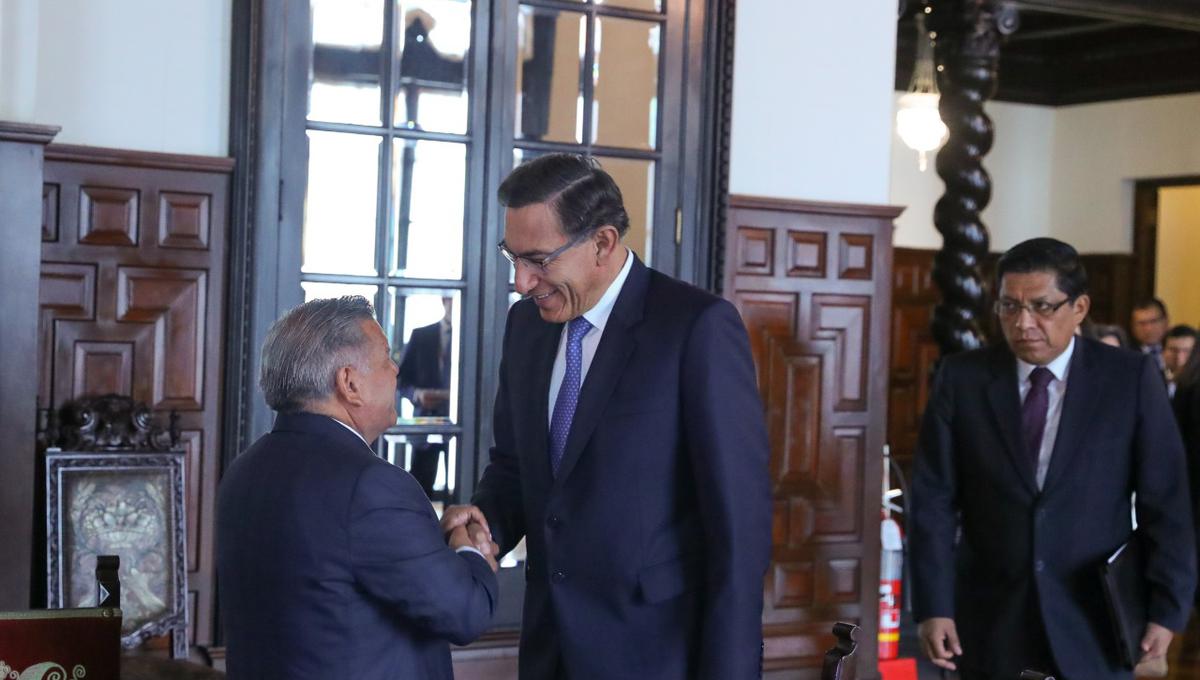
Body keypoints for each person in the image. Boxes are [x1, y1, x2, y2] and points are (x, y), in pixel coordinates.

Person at [442, 153, 772, 680]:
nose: (522, 281)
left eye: (540, 260)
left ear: (602, 243)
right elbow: (513, 467)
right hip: (550, 647)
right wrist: (484, 526)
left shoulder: (696, 328)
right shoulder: (525, 327)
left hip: (658, 653)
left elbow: (738, 528)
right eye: (512, 257)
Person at [910, 238, 1196, 680]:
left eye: (1042, 306)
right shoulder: (962, 378)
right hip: (990, 615)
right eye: (1008, 306)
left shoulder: (1128, 379)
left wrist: (1168, 608)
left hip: (1096, 616)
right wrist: (933, 606)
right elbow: (933, 500)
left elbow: (1167, 501)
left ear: (1079, 308)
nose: (1023, 323)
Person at [217, 296, 498, 680]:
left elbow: (338, 566)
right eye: (386, 357)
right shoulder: (372, 486)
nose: (397, 369)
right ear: (349, 383)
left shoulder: (243, 471)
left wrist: (435, 536)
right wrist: (470, 549)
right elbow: (467, 612)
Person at [397, 296, 454, 498]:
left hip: (459, 428)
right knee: (420, 491)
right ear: (445, 302)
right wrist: (416, 394)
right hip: (425, 425)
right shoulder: (421, 335)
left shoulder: (474, 337)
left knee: (460, 493)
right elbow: (399, 381)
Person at [1130, 298, 1170, 372]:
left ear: (1166, 322)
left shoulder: (1179, 350)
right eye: (1142, 323)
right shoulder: (1128, 354)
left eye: (1154, 321)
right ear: (1133, 327)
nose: (1148, 329)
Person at [1163, 324, 1197, 398]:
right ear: (1163, 351)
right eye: (1173, 350)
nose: (1179, 357)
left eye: (1186, 351)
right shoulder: (1153, 379)